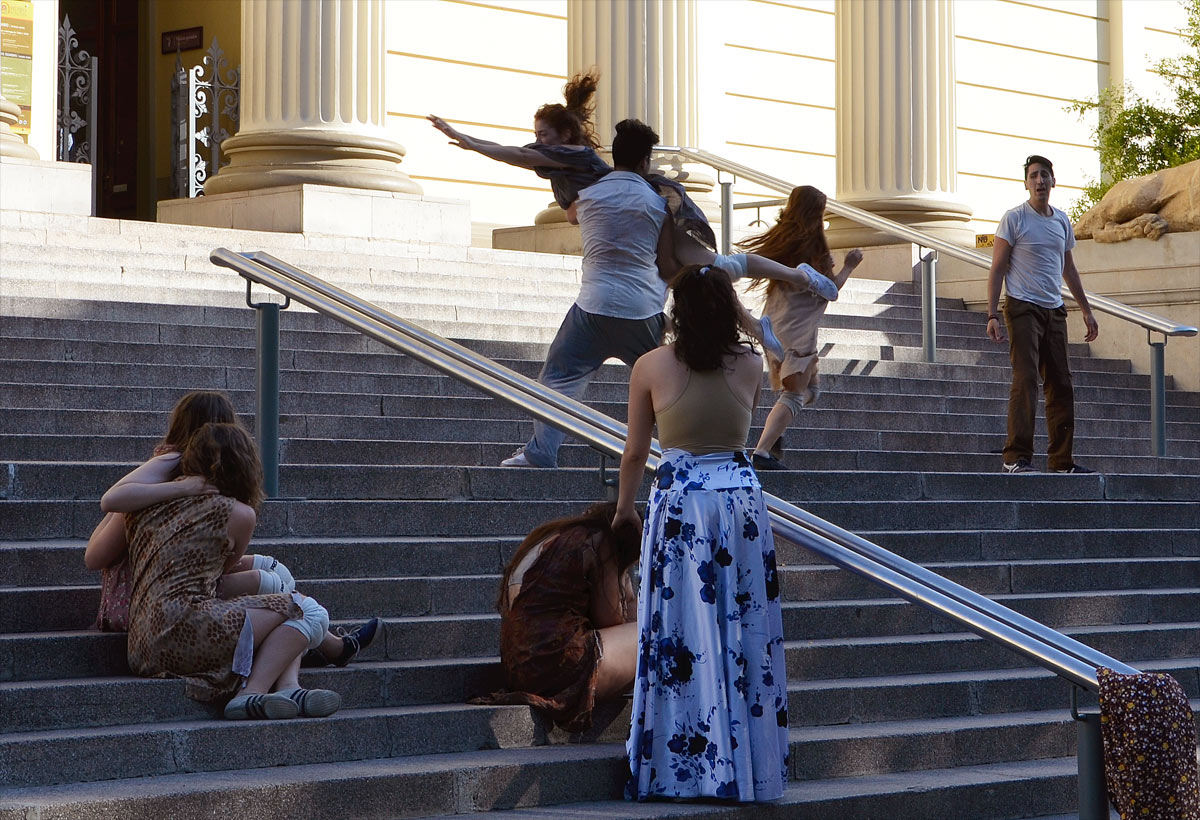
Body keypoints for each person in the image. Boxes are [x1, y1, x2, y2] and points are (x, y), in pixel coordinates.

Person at [429, 74, 839, 361]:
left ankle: (802, 279)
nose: (537, 142)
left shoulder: (574, 157)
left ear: (566, 138)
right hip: (643, 211)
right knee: (705, 271)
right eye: (537, 134)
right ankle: (760, 321)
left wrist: (469, 141)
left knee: (710, 267)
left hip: (654, 204)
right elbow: (566, 204)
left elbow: (518, 157)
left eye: (544, 135)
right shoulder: (562, 166)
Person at [615, 264, 788, 802]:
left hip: (683, 504)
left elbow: (637, 452)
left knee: (682, 632)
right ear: (727, 307)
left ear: (676, 311)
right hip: (740, 502)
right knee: (743, 629)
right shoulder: (750, 365)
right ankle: (747, 765)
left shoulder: (649, 365)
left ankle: (682, 765)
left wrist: (624, 510)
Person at [84, 390, 380, 665]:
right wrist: (183, 488)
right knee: (273, 585)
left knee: (276, 573)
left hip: (172, 587)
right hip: (143, 595)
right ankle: (321, 646)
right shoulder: (166, 473)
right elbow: (95, 554)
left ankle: (310, 645)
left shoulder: (195, 479)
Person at [85, 423, 341, 720]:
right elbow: (221, 571)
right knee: (308, 611)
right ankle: (250, 693)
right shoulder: (239, 514)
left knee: (284, 601)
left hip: (141, 641)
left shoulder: (147, 504)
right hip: (187, 627)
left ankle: (288, 689)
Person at [469, 502, 640, 733]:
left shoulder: (553, 537)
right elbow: (610, 620)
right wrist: (624, 583)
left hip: (521, 668)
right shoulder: (600, 541)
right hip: (557, 664)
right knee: (654, 633)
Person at [986, 154, 1099, 474]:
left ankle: (1062, 461)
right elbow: (997, 267)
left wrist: (1087, 311)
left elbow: (1069, 269)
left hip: (1055, 310)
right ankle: (1015, 457)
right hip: (1022, 307)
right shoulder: (1014, 218)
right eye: (1034, 176)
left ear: (1053, 181)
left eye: (1044, 175)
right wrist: (992, 314)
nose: (1039, 181)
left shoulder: (1062, 221)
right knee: (1026, 379)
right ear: (1026, 183)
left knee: (1061, 383)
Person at [740, 185, 863, 470]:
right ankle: (761, 451)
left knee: (811, 392)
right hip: (797, 333)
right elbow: (830, 290)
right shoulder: (813, 246)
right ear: (814, 213)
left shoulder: (784, 241)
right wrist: (849, 266)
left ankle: (776, 432)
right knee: (795, 395)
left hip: (776, 325)